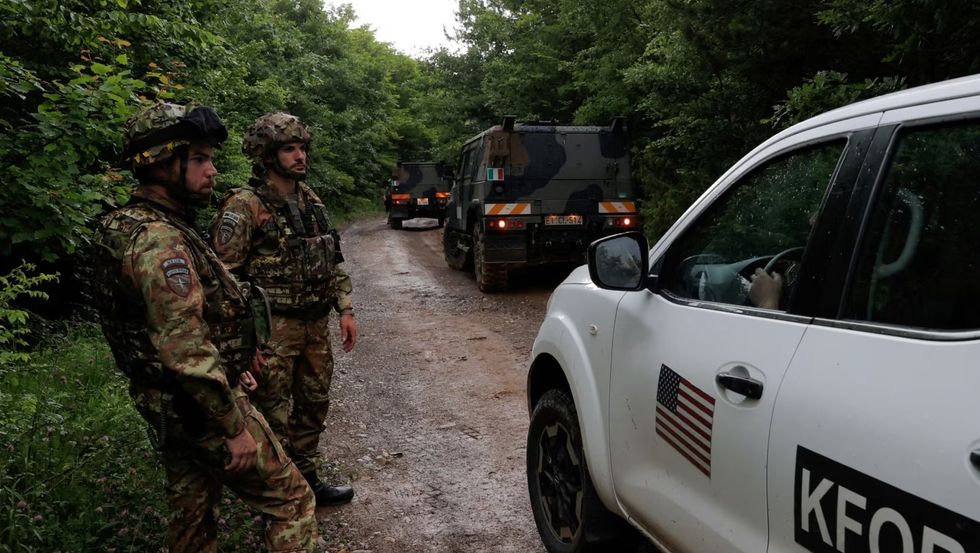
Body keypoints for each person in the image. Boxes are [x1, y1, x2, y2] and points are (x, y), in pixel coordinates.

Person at [91, 102, 318, 552]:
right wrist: (233, 424)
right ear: (160, 162)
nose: (212, 171)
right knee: (291, 502)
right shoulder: (159, 241)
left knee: (193, 519)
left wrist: (234, 365)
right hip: (201, 408)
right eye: (199, 159)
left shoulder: (129, 224)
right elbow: (185, 348)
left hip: (168, 403)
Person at [210, 112, 356, 507]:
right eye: (289, 149)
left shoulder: (312, 202)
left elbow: (333, 258)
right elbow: (225, 280)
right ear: (267, 155)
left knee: (313, 404)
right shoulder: (245, 206)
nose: (300, 156)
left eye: (302, 148)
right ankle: (276, 496)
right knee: (272, 411)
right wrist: (245, 343)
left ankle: (307, 480)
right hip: (272, 330)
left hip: (314, 326)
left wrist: (344, 307)